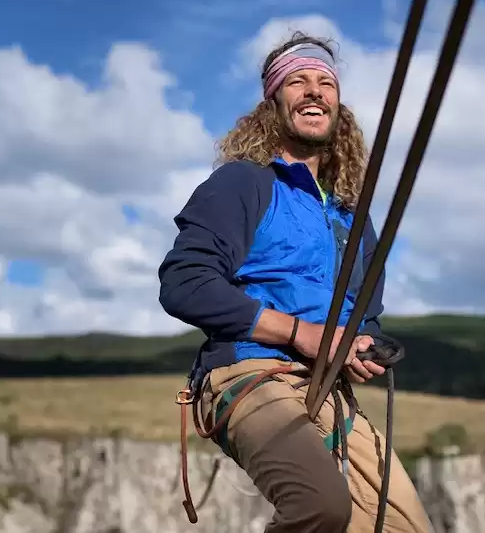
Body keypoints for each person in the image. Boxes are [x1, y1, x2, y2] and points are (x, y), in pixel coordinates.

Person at [158, 32, 433, 533]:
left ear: (338, 106)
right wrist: (297, 333)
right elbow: (185, 281)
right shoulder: (244, 183)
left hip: (327, 389)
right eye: (298, 82)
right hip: (247, 374)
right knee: (320, 504)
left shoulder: (353, 215)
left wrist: (363, 344)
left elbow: (363, 313)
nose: (314, 91)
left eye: (325, 83)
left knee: (405, 528)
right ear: (272, 105)